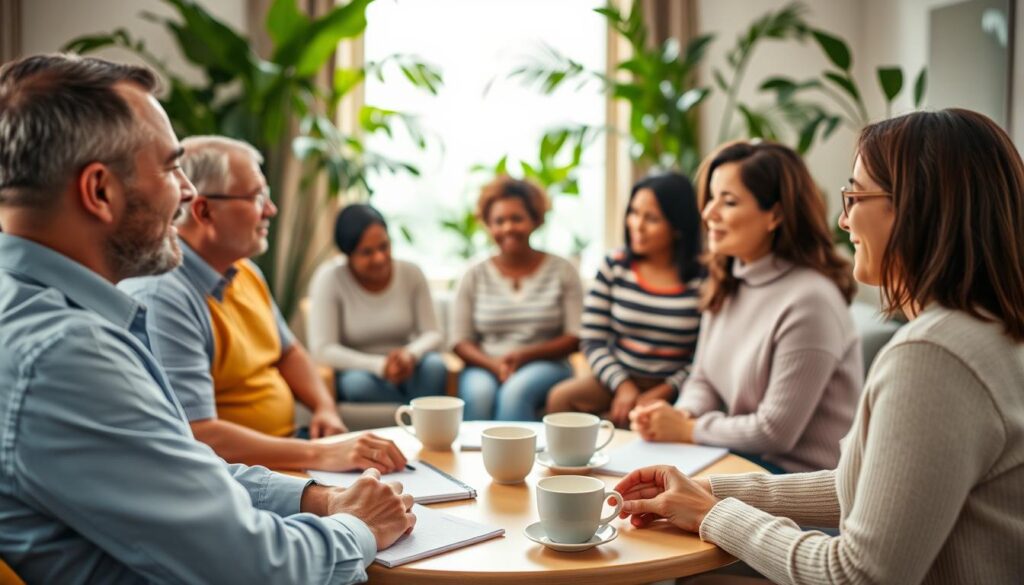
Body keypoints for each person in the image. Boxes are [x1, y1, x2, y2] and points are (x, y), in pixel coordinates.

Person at [0, 53, 414, 584]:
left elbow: (180, 469)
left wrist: (316, 496)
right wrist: (358, 526)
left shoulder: (56, 314)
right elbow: (257, 570)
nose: (188, 192)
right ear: (100, 191)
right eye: (172, 167)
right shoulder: (68, 353)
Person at [615, 109, 1024, 583]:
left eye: (855, 196)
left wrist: (713, 514)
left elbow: (859, 575)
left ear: (914, 208)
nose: (844, 219)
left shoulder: (933, 357)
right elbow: (861, 487)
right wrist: (708, 490)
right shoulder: (984, 333)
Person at [120, 136, 407, 474]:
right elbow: (198, 434)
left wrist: (325, 408)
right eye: (257, 197)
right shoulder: (163, 297)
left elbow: (290, 353)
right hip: (242, 475)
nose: (270, 209)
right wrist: (320, 455)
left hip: (289, 451)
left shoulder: (242, 270)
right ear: (204, 211)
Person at [631, 141, 862, 473]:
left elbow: (775, 432)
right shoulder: (729, 279)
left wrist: (688, 430)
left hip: (797, 485)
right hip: (740, 462)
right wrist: (679, 415)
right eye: (711, 198)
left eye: (728, 202)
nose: (709, 213)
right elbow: (703, 379)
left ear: (776, 215)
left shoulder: (811, 301)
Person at [547, 173, 703, 428]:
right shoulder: (615, 265)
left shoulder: (703, 279)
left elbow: (705, 358)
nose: (637, 225)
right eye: (633, 213)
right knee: (560, 398)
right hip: (617, 377)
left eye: (651, 218)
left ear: (677, 226)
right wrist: (622, 385)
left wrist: (666, 390)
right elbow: (592, 338)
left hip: (677, 386)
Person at [452, 176, 583, 421]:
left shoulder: (563, 270)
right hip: (485, 365)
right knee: (479, 395)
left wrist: (524, 356)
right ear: (488, 226)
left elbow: (574, 337)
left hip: (548, 364)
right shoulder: (473, 274)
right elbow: (460, 341)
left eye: (517, 219)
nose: (508, 228)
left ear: (535, 220)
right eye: (499, 221)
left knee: (516, 391)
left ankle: (518, 461)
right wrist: (493, 364)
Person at [308, 203, 448, 403]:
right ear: (348, 254)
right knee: (356, 385)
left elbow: (433, 333)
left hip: (409, 368)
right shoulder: (329, 279)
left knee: (434, 367)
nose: (380, 258)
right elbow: (323, 349)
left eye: (384, 246)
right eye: (367, 252)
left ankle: (417, 422)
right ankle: (411, 414)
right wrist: (380, 366)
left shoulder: (412, 273)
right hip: (363, 372)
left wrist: (410, 354)